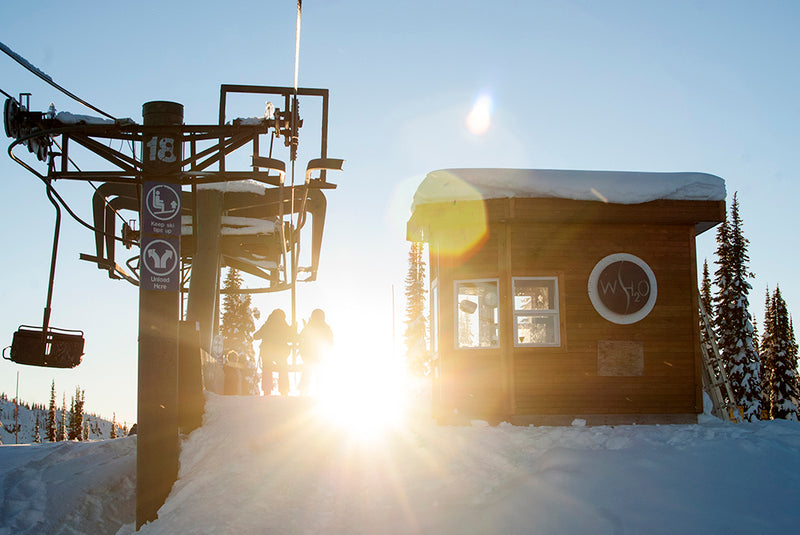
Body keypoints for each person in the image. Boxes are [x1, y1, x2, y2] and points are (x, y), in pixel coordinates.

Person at [253, 309, 294, 395]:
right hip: (280, 353)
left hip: (267, 352)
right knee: (283, 367)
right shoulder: (283, 325)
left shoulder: (268, 325)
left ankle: (267, 390)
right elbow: (291, 338)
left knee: (267, 367)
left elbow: (256, 336)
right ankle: (284, 390)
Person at [298, 309, 333, 396]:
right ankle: (319, 392)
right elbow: (330, 341)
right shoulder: (325, 327)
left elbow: (301, 338)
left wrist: (303, 352)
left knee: (307, 374)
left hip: (309, 356)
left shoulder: (309, 326)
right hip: (320, 356)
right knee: (319, 375)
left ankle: (303, 392)